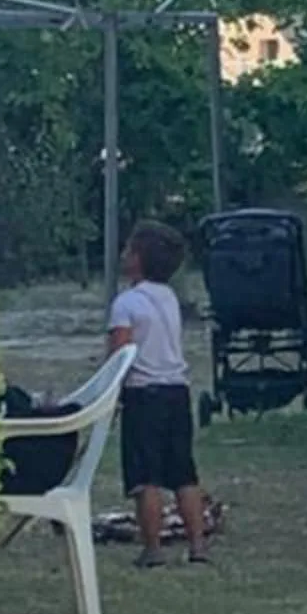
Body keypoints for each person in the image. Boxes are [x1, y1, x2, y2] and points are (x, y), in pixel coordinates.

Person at [107, 220, 209, 568]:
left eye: (129, 250)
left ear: (139, 259)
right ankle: (197, 546)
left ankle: (152, 549)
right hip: (176, 391)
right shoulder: (169, 298)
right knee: (183, 472)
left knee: (145, 477)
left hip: (143, 394)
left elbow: (120, 354)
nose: (123, 255)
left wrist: (111, 395)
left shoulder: (126, 303)